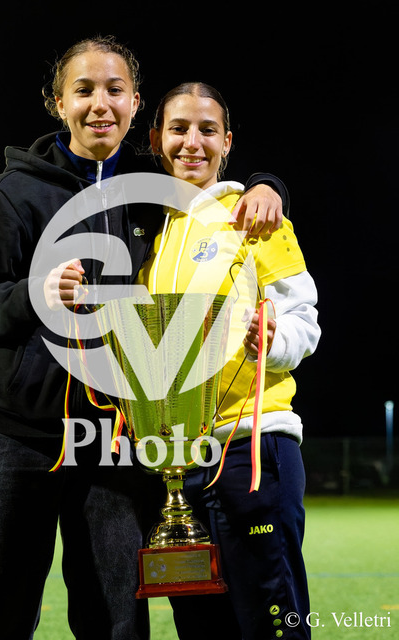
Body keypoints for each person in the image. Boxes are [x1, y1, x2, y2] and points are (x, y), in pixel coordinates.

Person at [0, 35, 292, 640]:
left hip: (114, 442)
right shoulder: (12, 192)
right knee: (0, 616)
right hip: (13, 438)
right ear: (58, 102)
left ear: (136, 104)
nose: (100, 103)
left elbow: (214, 183)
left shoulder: (154, 189)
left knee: (116, 623)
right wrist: (35, 292)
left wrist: (269, 184)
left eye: (115, 89)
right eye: (83, 90)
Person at [135, 82, 321, 639]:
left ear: (227, 142)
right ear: (156, 140)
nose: (192, 142)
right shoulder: (154, 241)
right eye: (179, 129)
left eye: (207, 130)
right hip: (180, 463)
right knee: (200, 627)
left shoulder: (256, 216)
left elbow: (304, 321)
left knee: (272, 622)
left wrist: (275, 339)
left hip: (252, 449)